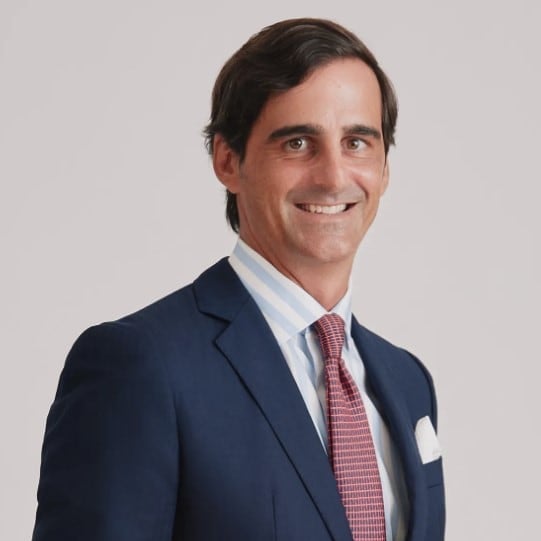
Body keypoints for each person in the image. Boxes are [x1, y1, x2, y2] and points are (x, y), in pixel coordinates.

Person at [32, 18, 445, 541]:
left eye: (357, 142)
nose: (334, 176)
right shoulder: (141, 367)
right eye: (298, 143)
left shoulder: (407, 381)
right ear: (228, 161)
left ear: (384, 168)